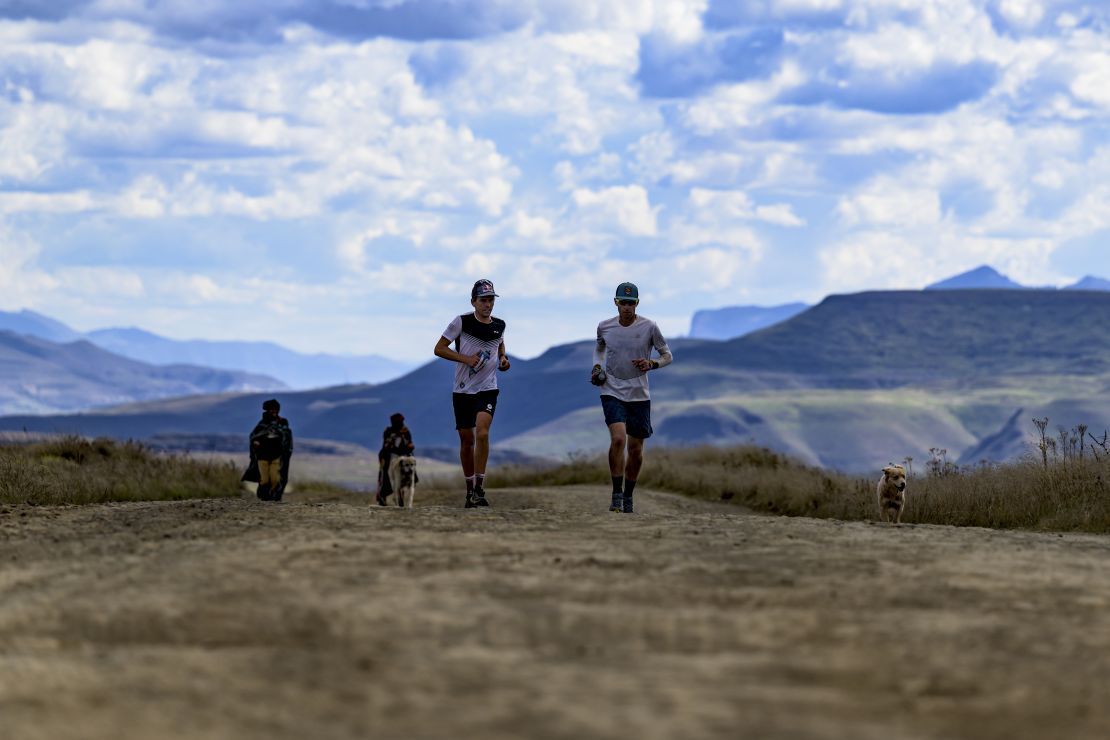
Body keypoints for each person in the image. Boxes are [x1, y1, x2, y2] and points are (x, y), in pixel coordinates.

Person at [590, 282, 672, 513]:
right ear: (616, 303)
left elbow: (668, 355)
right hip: (611, 389)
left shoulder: (650, 327)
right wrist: (597, 368)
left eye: (631, 303)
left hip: (639, 394)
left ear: (637, 304)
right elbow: (599, 349)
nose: (626, 307)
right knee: (618, 440)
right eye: (622, 302)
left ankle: (628, 495)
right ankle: (616, 494)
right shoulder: (604, 327)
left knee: (635, 450)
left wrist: (652, 363)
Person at [433, 279, 510, 508]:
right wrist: (465, 359)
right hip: (463, 390)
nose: (488, 305)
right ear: (473, 301)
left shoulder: (500, 325)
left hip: (488, 388)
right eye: (483, 300)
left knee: (483, 434)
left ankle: (479, 487)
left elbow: (500, 344)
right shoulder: (462, 322)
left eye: (491, 300)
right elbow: (439, 348)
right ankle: (469, 491)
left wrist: (504, 359)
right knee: (467, 440)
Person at [248, 398, 294, 502]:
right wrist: (255, 442)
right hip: (262, 456)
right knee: (264, 480)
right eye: (272, 409)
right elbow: (254, 436)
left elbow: (287, 435)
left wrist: (285, 448)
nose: (274, 411)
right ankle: (264, 495)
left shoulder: (282, 421)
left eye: (276, 409)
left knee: (276, 479)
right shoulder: (262, 424)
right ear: (267, 410)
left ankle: (274, 496)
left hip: (277, 456)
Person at [376, 412, 415, 506]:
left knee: (411, 467)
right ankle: (383, 497)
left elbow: (410, 444)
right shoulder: (388, 431)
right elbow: (385, 446)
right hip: (391, 456)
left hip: (404, 455)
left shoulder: (406, 431)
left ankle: (409, 484)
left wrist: (408, 447)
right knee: (385, 474)